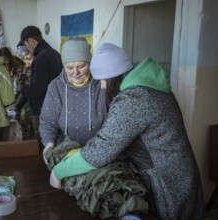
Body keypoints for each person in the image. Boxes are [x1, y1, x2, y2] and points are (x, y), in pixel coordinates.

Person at [49, 43, 206, 219]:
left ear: (110, 77)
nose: (101, 86)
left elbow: (100, 153)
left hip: (166, 182)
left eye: (101, 80)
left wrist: (58, 171)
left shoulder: (134, 99)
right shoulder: (147, 86)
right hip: (178, 172)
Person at [39, 37, 108, 158]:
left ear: (90, 63)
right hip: (65, 153)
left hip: (99, 151)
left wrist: (110, 79)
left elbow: (115, 121)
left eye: (81, 66)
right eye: (69, 68)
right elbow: (48, 122)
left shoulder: (102, 84)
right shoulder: (55, 87)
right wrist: (49, 144)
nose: (75, 73)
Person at [17, 25, 63, 147]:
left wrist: (22, 88)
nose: (26, 48)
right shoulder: (55, 54)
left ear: (32, 41)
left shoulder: (41, 58)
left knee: (43, 145)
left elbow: (36, 89)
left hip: (43, 109)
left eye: (26, 44)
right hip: (56, 106)